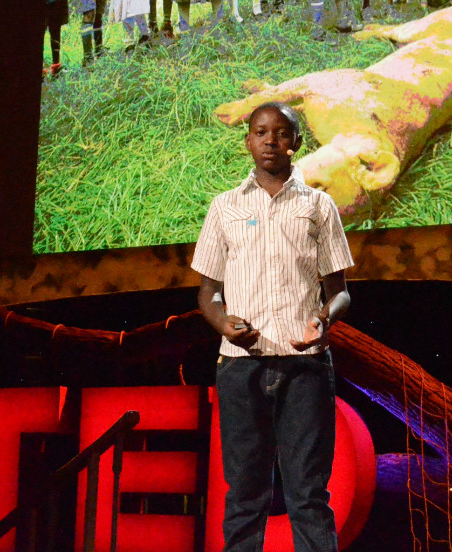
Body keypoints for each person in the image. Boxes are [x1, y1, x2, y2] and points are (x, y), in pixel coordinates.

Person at [191, 101, 353, 552]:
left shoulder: (318, 206)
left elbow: (339, 290)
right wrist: (222, 320)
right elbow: (208, 293)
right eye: (260, 132)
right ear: (248, 141)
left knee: (308, 495)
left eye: (281, 133)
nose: (270, 140)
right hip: (241, 367)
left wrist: (325, 318)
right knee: (245, 494)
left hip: (304, 366)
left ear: (296, 142)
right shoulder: (224, 207)